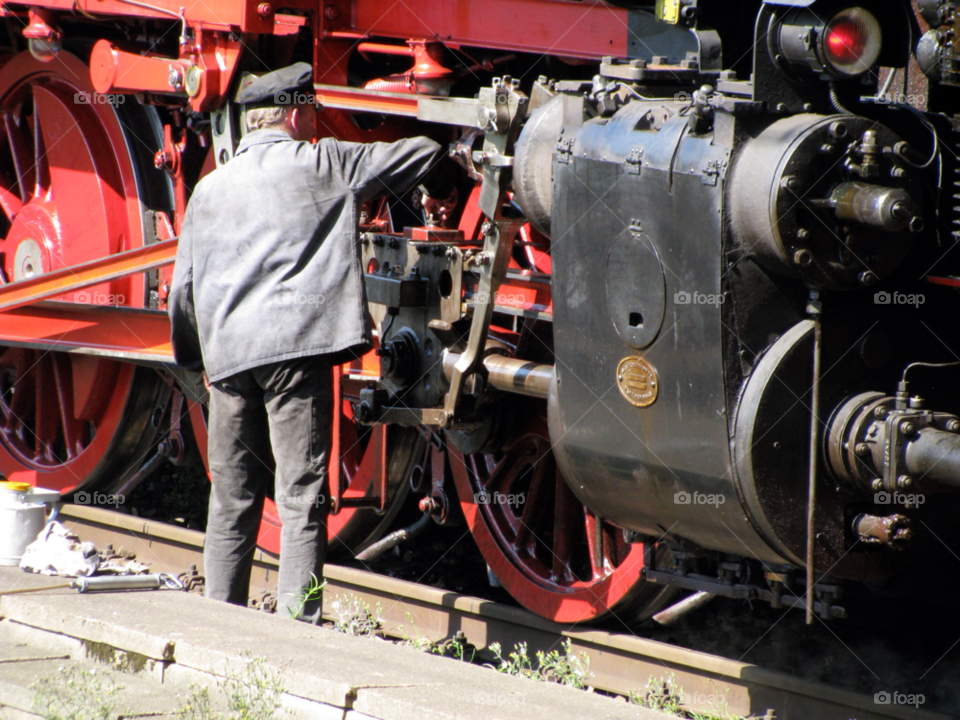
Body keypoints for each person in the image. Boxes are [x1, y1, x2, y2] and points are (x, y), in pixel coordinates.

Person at [168, 62, 456, 622]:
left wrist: (198, 363)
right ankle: (297, 627)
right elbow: (416, 152)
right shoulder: (323, 161)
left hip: (227, 363)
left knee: (231, 496)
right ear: (297, 113)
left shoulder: (208, 188)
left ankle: (216, 621)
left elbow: (183, 291)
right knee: (300, 493)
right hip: (292, 356)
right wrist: (443, 147)